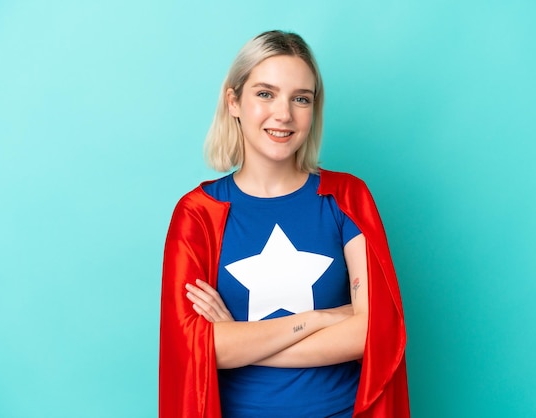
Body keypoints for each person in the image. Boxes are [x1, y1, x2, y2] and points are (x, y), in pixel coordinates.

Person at [159, 30, 409, 417]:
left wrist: (241, 344)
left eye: (300, 99)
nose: (284, 114)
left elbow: (372, 333)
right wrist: (320, 319)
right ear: (234, 101)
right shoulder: (198, 213)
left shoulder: (346, 198)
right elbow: (199, 348)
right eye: (265, 93)